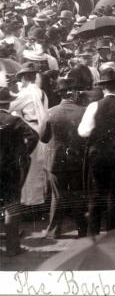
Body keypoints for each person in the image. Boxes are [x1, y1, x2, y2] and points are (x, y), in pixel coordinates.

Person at [78, 67, 115, 235]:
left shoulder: (94, 106)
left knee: (95, 198)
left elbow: (83, 131)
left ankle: (92, 237)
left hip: (97, 158)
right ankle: (112, 237)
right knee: (113, 198)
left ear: (102, 87)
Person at [41, 78, 87, 238]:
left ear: (60, 94)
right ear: (73, 93)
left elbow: (43, 137)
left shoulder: (51, 112)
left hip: (55, 161)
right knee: (77, 194)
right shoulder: (84, 111)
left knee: (57, 196)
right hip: (77, 160)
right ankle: (83, 230)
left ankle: (53, 231)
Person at [0, 87, 38, 256]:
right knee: (11, 207)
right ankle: (12, 248)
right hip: (10, 169)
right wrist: (24, 153)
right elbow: (33, 136)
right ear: (8, 103)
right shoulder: (14, 120)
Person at [10, 62, 48, 206]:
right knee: (37, 168)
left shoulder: (26, 93)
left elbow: (9, 105)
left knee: (27, 168)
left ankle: (27, 204)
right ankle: (37, 203)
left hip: (29, 131)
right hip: (41, 130)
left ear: (25, 78)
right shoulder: (42, 93)